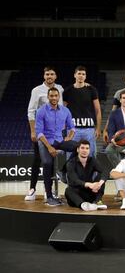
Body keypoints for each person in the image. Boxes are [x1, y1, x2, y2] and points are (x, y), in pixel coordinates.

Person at [25, 66, 65, 201]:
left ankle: (50, 189)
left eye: (52, 74)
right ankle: (32, 189)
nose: (49, 76)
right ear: (44, 76)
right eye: (47, 74)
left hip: (55, 132)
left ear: (55, 76)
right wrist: (33, 131)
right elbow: (31, 111)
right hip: (40, 131)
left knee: (53, 160)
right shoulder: (36, 91)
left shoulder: (60, 89)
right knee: (37, 159)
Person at [35, 87, 78, 206]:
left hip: (59, 140)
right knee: (48, 164)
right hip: (45, 141)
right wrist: (49, 147)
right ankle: (49, 196)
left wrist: (69, 137)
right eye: (51, 96)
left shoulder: (65, 111)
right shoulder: (41, 111)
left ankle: (63, 171)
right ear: (48, 97)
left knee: (78, 147)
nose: (54, 98)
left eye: (56, 96)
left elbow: (72, 127)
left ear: (59, 97)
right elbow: (39, 133)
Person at [63, 65, 102, 156]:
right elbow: (63, 111)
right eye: (79, 73)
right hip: (72, 129)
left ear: (85, 76)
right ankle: (70, 171)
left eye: (83, 74)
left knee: (91, 156)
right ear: (75, 75)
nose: (81, 76)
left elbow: (98, 110)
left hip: (89, 129)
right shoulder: (67, 91)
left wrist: (98, 128)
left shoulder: (91, 89)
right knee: (71, 156)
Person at [65, 140, 107, 211]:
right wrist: (89, 184)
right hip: (76, 195)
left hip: (90, 193)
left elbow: (104, 172)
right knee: (68, 190)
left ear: (89, 150)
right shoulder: (70, 163)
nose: (85, 150)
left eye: (87, 148)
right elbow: (74, 180)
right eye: (82, 148)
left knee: (100, 178)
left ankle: (97, 202)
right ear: (78, 150)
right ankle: (83, 205)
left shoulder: (92, 160)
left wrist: (99, 184)